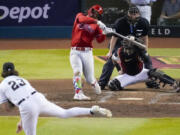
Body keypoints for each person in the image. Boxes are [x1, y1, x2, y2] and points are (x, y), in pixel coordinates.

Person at [0, 62, 112, 135]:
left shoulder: (2, 85)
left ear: (3, 72)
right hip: (38, 98)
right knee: (64, 113)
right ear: (14, 70)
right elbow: (26, 98)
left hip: (26, 106)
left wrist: (10, 100)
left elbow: (7, 108)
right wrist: (22, 121)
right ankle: (91, 110)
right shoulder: (22, 79)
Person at [98, 5, 153, 90]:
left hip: (134, 44)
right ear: (128, 14)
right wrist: (110, 51)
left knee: (147, 59)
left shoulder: (144, 22)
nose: (133, 16)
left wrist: (145, 50)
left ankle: (150, 80)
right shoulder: (120, 22)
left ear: (138, 15)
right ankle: (102, 82)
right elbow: (114, 37)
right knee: (110, 60)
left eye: (135, 15)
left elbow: (145, 37)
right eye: (131, 14)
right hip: (119, 43)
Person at [70, 4, 112, 100]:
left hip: (87, 53)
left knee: (89, 79)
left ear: (98, 15)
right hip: (75, 51)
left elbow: (100, 40)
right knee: (77, 72)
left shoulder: (96, 26)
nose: (94, 13)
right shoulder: (80, 16)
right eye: (93, 11)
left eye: (96, 13)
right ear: (90, 10)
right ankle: (78, 93)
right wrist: (97, 22)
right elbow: (82, 20)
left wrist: (104, 32)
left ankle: (94, 83)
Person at [108, 36, 180, 92]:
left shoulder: (140, 51)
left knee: (155, 72)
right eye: (126, 48)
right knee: (112, 85)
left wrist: (150, 75)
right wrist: (119, 70)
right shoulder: (119, 51)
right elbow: (113, 59)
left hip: (141, 73)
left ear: (134, 47)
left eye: (130, 49)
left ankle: (174, 83)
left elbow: (148, 62)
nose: (128, 51)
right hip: (128, 76)